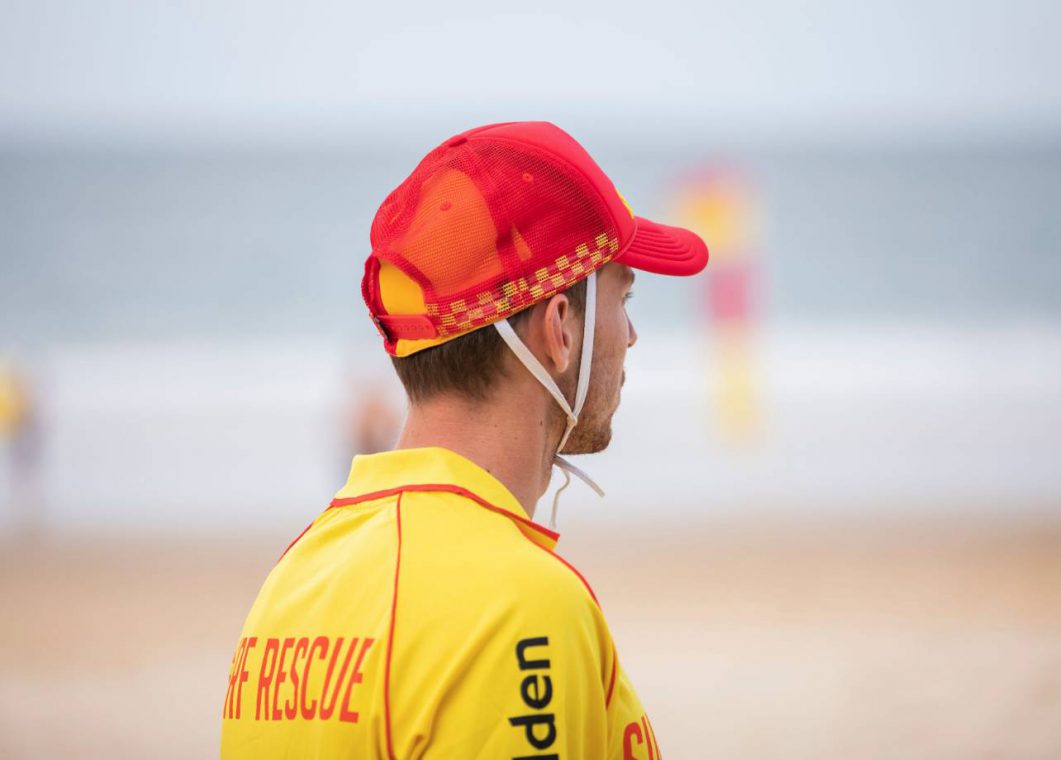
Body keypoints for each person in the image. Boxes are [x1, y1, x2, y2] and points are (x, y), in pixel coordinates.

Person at [221, 121, 708, 758]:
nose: (633, 336)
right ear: (559, 328)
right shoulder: (521, 606)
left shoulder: (292, 586)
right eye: (624, 297)